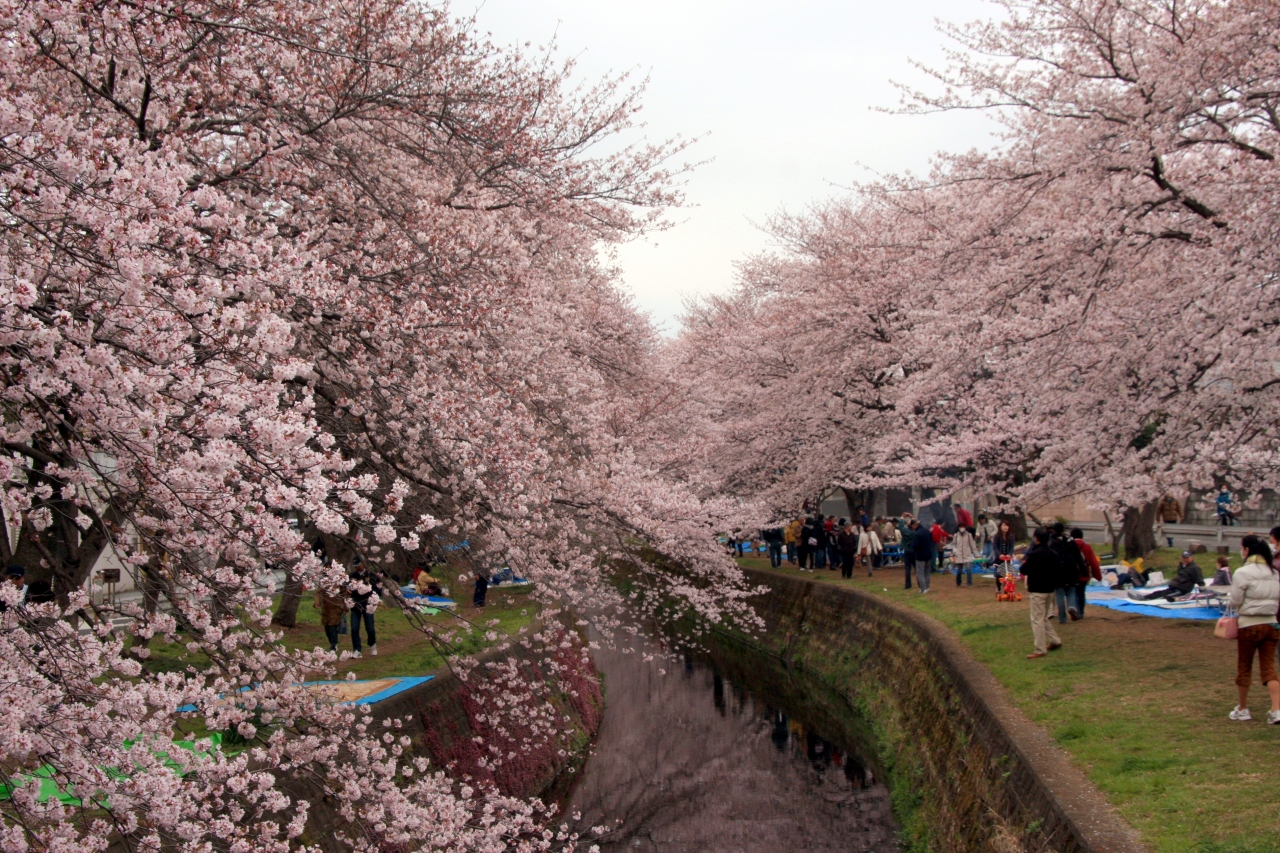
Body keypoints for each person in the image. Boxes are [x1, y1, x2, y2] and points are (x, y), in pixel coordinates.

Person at [1227, 535, 1280, 723]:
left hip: (1249, 624)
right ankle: (1276, 709)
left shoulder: (1243, 572)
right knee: (1269, 667)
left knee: (1244, 667)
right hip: (1272, 623)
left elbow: (1235, 601)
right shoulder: (1273, 572)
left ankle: (1242, 708)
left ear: (1247, 550)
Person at [1022, 528, 1064, 659]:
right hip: (1050, 589)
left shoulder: (1034, 554)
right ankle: (1055, 640)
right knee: (1044, 617)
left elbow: (1024, 569)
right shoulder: (1053, 553)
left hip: (1037, 589)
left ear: (1036, 539)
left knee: (1037, 619)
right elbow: (1058, 569)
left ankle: (1040, 649)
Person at [1129, 551, 1205, 601]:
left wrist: (1203, 593)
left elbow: (1200, 580)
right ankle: (1145, 597)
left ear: (1191, 558)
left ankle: (1145, 598)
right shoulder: (1182, 566)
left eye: (1187, 558)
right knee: (1159, 592)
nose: (1185, 559)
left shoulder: (1195, 568)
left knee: (1163, 595)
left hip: (1182, 589)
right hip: (1175, 586)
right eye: (1184, 558)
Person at [1049, 522, 1087, 622]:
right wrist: (1083, 570)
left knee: (1059, 594)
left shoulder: (1052, 542)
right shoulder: (1070, 540)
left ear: (1053, 530)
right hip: (1071, 570)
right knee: (1071, 592)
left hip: (1057, 572)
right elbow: (1078, 557)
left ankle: (1062, 617)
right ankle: (1071, 606)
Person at [347, 556, 383, 658]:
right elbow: (348, 586)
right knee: (354, 628)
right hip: (355, 604)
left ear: (363, 564)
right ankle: (357, 649)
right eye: (355, 566)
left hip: (368, 604)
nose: (357, 568)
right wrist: (348, 589)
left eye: (358, 565)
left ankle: (372, 645)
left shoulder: (370, 574)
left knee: (370, 628)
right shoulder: (352, 576)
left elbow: (374, 588)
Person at [1070, 528, 1102, 617]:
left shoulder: (1068, 546)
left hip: (1071, 574)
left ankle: (1074, 609)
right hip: (1084, 574)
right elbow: (1093, 562)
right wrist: (1098, 576)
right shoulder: (1086, 547)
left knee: (1073, 592)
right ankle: (1080, 611)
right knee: (1081, 593)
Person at [315, 582, 347, 653]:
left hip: (336, 608)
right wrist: (317, 603)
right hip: (326, 609)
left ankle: (333, 646)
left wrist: (345, 606)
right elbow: (318, 593)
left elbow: (344, 594)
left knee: (333, 628)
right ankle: (332, 642)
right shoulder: (324, 581)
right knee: (327, 628)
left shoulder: (339, 581)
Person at [911, 520, 935, 593]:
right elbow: (931, 541)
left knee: (920, 573)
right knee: (927, 572)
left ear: (915, 525)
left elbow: (915, 545)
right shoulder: (927, 531)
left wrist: (912, 546)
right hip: (929, 554)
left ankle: (923, 589)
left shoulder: (917, 534)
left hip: (920, 556)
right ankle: (927, 587)